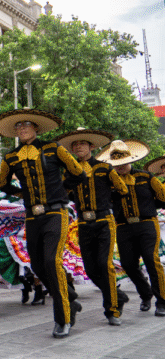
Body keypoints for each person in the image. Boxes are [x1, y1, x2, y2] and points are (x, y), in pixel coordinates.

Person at [0, 108, 86, 338]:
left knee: (51, 261)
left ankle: (63, 318)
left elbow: (78, 173)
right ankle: (70, 297)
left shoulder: (54, 149)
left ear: (36, 128)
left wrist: (61, 190)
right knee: (37, 265)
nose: (22, 129)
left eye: (27, 125)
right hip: (32, 216)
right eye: (18, 126)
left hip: (56, 213)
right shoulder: (10, 157)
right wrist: (22, 194)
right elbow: (2, 185)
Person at [55, 128, 129, 325]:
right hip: (83, 223)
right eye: (75, 145)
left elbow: (122, 189)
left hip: (104, 221)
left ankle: (112, 310)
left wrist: (108, 203)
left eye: (82, 144)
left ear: (92, 146)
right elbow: (63, 191)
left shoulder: (105, 168)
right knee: (90, 268)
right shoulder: (69, 171)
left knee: (105, 265)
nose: (78, 147)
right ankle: (118, 295)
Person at [98, 140, 165, 317]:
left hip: (147, 224)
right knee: (128, 264)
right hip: (122, 226)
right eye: (116, 164)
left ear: (130, 159)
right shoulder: (109, 182)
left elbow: (163, 197)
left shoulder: (146, 177)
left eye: (123, 162)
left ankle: (162, 301)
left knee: (152, 261)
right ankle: (146, 293)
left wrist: (151, 206)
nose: (120, 166)